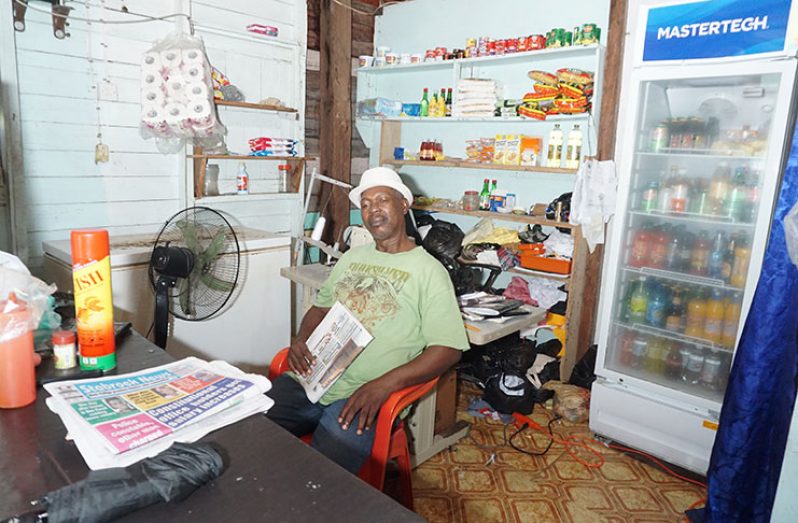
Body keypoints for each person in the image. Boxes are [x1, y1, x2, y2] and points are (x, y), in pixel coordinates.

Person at [266, 166, 469, 473]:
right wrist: (301, 341)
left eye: (382, 200)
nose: (373, 210)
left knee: (319, 477)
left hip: (363, 395)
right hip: (312, 380)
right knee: (249, 432)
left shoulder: (429, 272)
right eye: (366, 204)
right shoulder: (351, 258)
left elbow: (448, 349)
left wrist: (384, 385)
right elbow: (319, 310)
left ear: (403, 204)